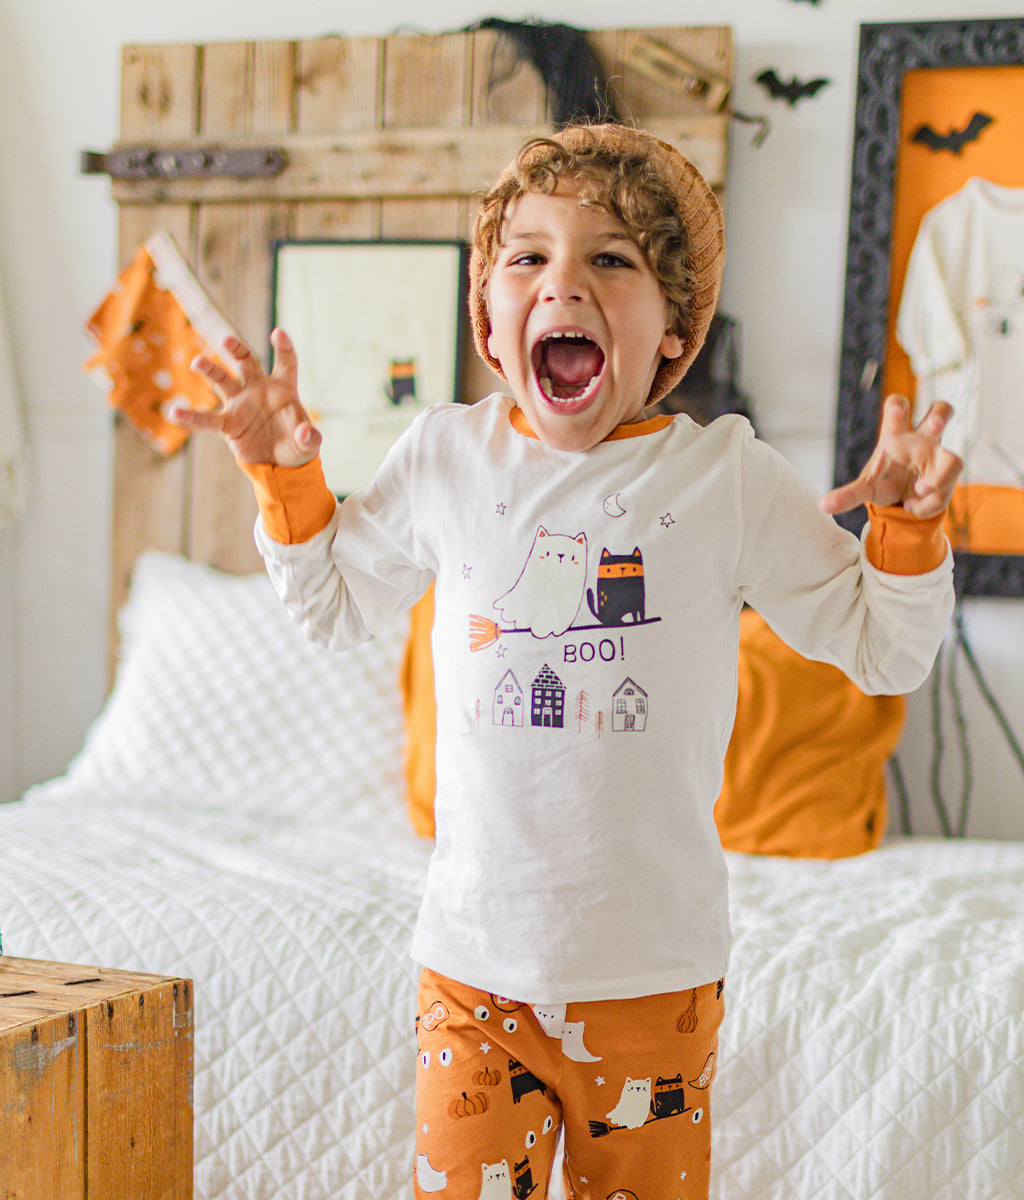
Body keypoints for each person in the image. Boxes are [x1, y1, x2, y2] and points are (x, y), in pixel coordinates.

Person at [175, 123, 960, 1200]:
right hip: (472, 971)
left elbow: (884, 649)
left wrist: (909, 534)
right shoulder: (448, 456)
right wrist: (286, 484)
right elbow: (335, 608)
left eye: (613, 257)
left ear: (673, 324)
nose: (565, 284)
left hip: (656, 984)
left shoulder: (725, 477)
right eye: (528, 258)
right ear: (491, 325)